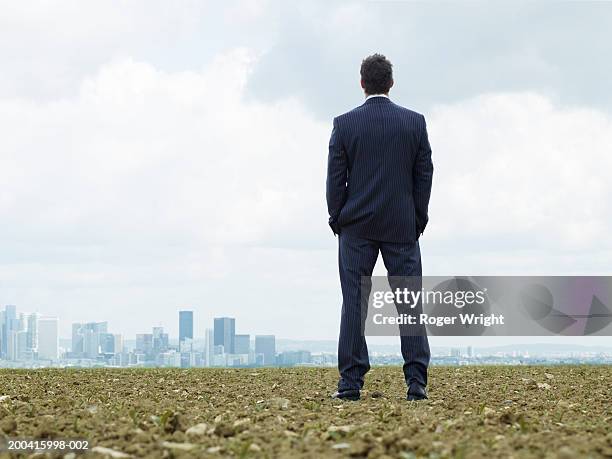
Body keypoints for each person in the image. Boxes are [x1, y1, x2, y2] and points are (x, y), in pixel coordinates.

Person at [326, 54, 434, 401]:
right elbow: (424, 175)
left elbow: (334, 178)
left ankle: (350, 383)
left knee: (355, 303)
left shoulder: (345, 125)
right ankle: (416, 382)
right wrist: (418, 217)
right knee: (409, 301)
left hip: (355, 227)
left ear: (362, 83)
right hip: (402, 225)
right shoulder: (414, 123)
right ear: (391, 83)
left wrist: (337, 217)